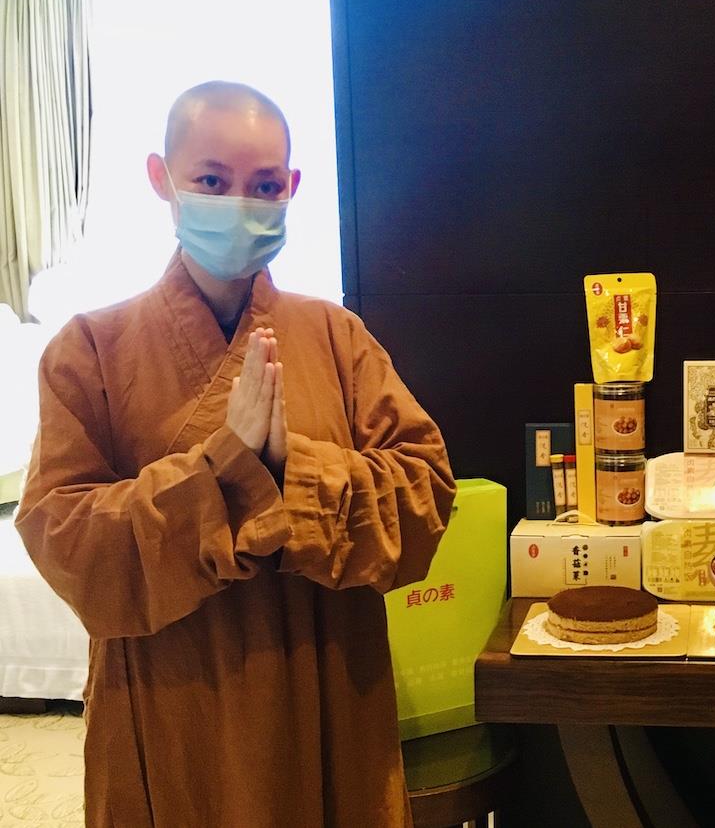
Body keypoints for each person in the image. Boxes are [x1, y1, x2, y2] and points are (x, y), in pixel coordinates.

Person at [16, 81, 456, 827]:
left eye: (264, 185)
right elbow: (64, 536)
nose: (240, 204)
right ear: (162, 179)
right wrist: (221, 472)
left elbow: (425, 492)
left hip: (324, 681)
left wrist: (295, 470)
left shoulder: (337, 337)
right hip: (170, 701)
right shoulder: (90, 348)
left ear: (292, 188)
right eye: (212, 181)